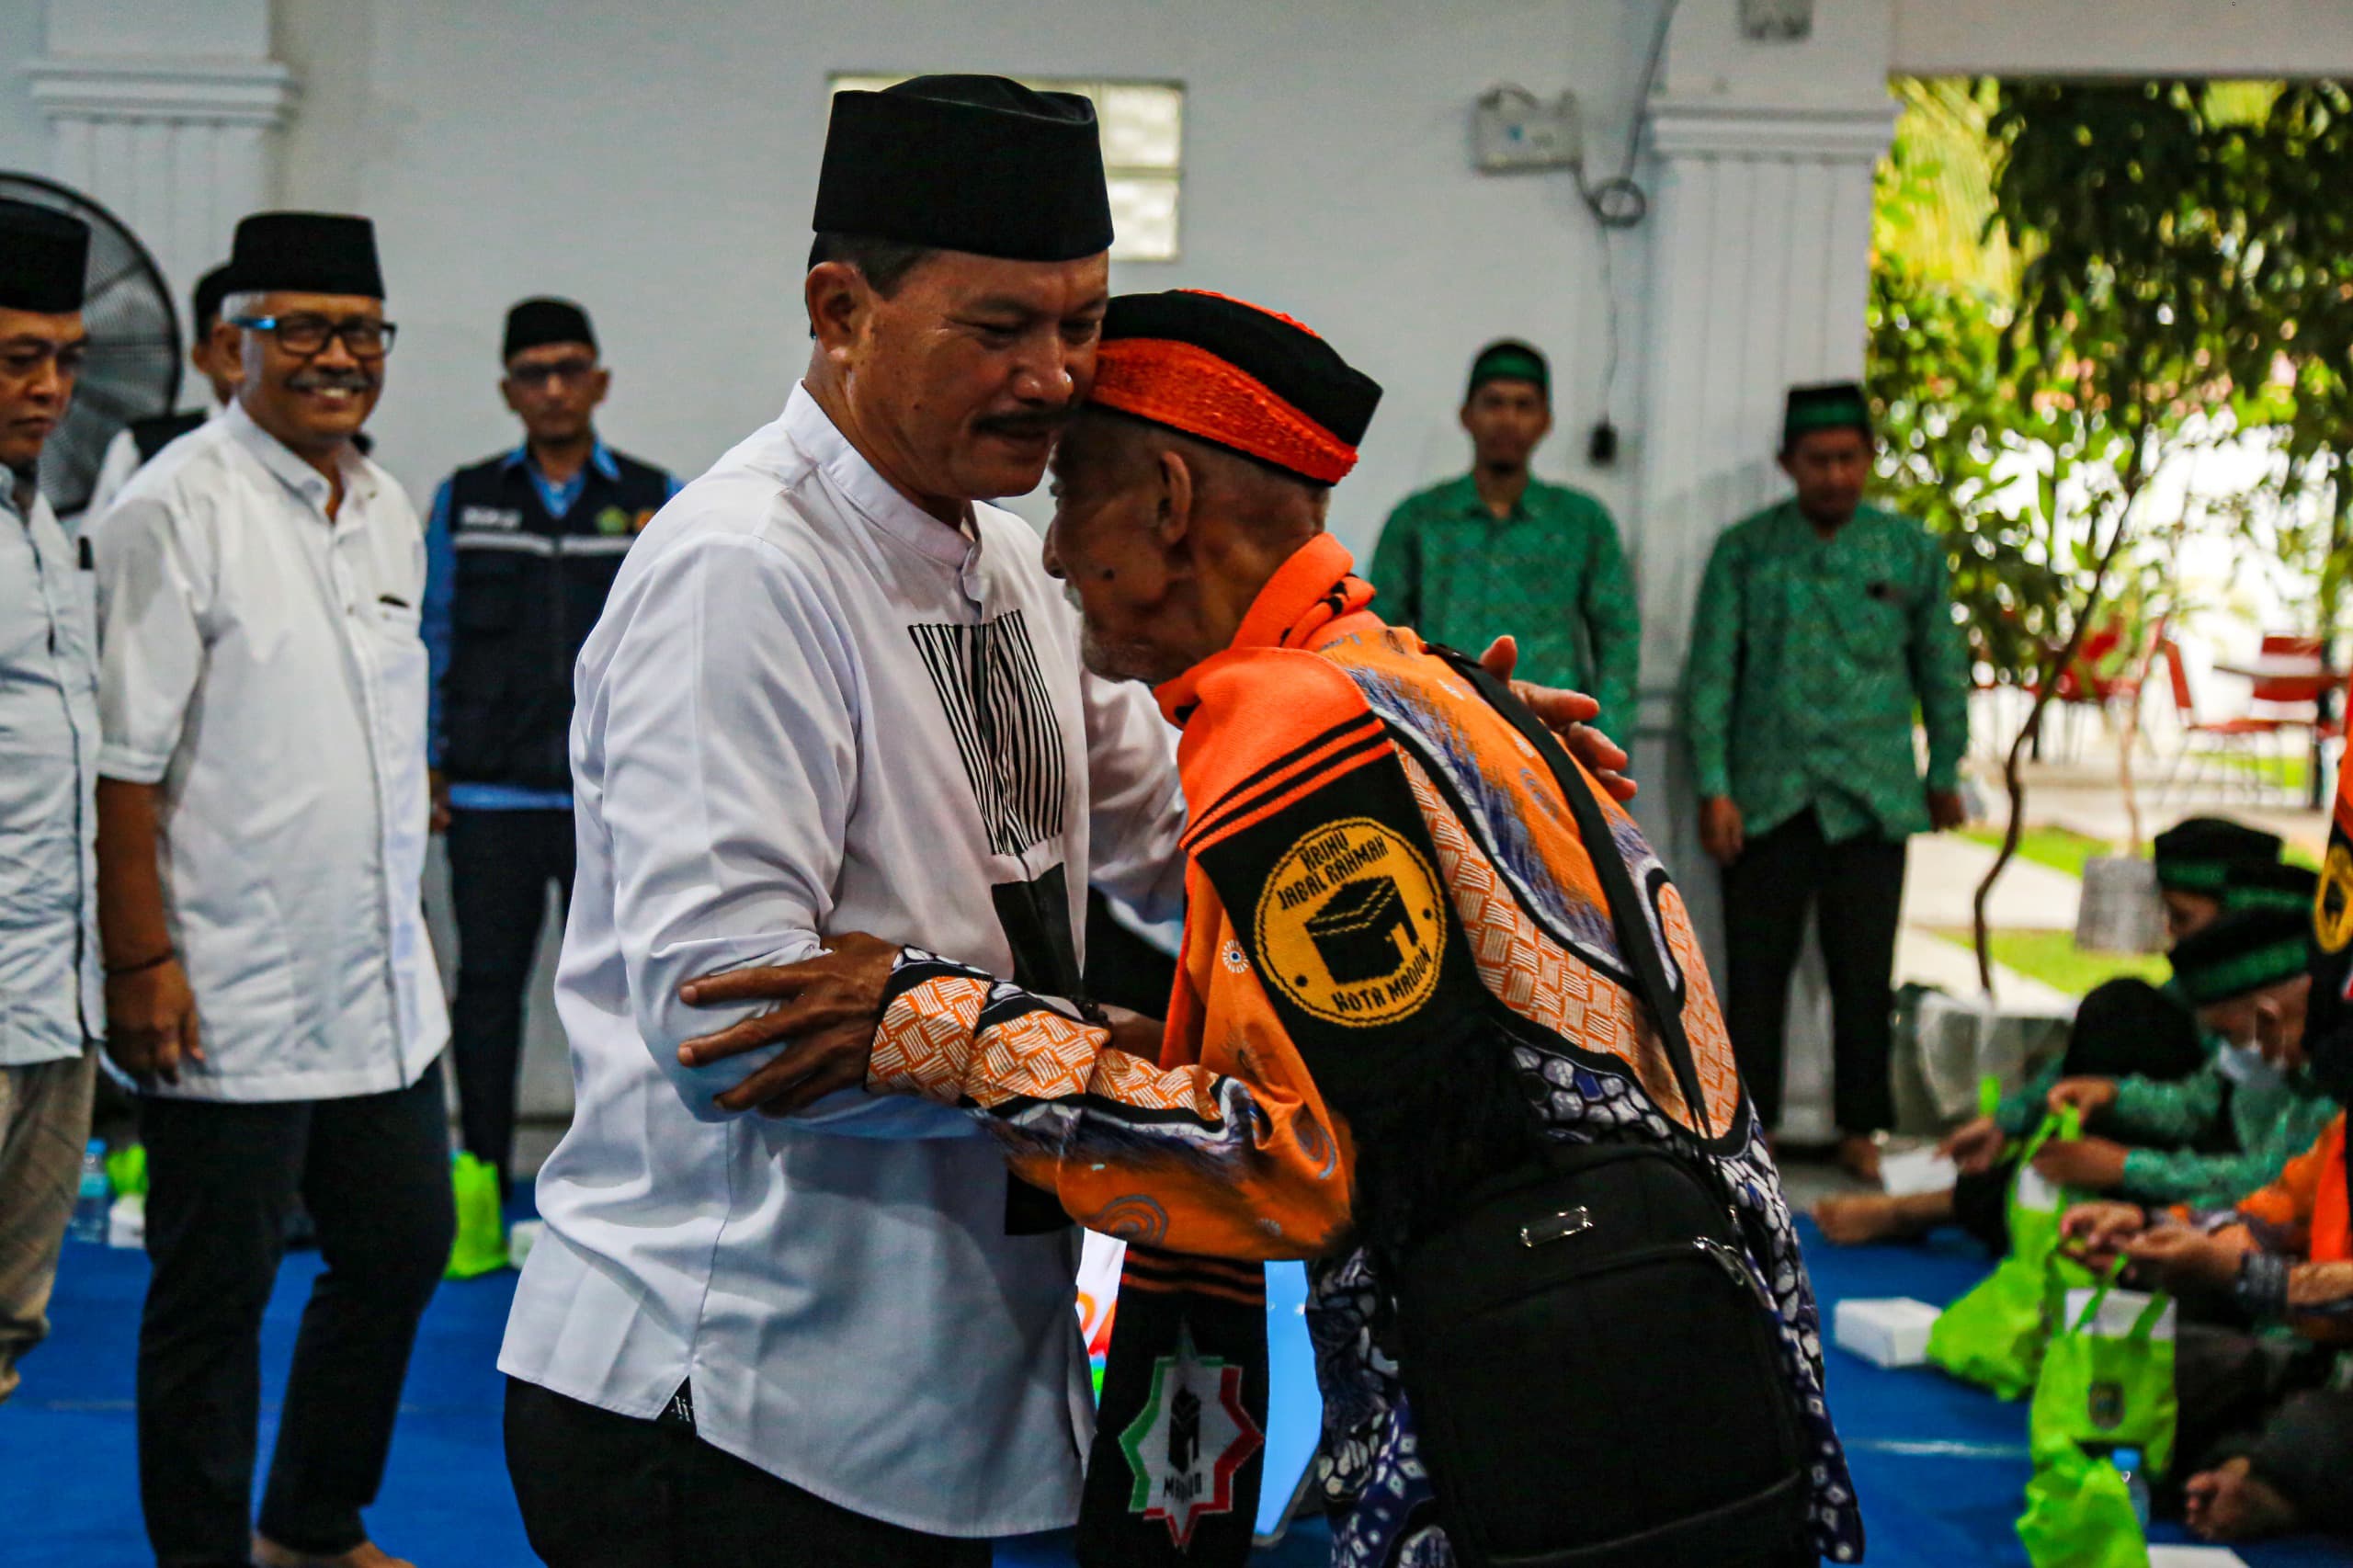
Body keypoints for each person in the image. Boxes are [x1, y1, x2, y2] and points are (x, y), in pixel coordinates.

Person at [496, 77, 1628, 1568]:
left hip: (923, 1383)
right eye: (1000, 328)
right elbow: (731, 1018)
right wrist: (1074, 1055)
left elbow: (1185, 829)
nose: (1054, 377)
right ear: (841, 312)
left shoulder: (1008, 569)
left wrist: (1433, 768)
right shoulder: (745, 570)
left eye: (1081, 324)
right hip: (732, 1387)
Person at [688, 289, 1860, 1567]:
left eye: (1074, 495)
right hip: (1679, 1362)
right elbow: (1386, 1068)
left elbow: (1304, 1158)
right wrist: (1097, 1032)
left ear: (1169, 502)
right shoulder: (1411, 680)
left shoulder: (1297, 725)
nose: (1057, 553)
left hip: (1545, 1407)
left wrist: (942, 1030)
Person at [92, 210, 450, 1568]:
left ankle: (309, 1520)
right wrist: (141, 963)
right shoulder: (171, 507)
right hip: (223, 979)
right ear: (226, 346)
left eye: (361, 331)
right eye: (299, 328)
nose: (336, 356)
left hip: (379, 976)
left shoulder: (389, 506)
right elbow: (123, 766)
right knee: (214, 1294)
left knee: (403, 1243)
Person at [422, 297, 678, 1274]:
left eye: (572, 369)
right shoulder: (466, 501)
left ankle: (621, 1193)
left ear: (599, 381)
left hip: (612, 806)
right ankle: (480, 1190)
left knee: (623, 999)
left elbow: (675, 647)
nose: (555, 389)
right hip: (489, 800)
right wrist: (429, 763)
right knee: (486, 996)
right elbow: (432, 635)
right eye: (534, 373)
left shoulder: (655, 499)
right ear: (509, 391)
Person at [1683, 381, 1972, 1176]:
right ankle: (1752, 1131)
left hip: (1873, 796)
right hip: (1766, 794)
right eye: (1818, 460)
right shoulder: (1746, 551)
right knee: (1755, 976)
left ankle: (1860, 1130)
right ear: (1787, 463)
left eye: (1849, 458)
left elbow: (1942, 667)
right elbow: (1712, 673)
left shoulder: (1909, 551)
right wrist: (1714, 786)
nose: (1835, 474)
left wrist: (1946, 767)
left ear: (1870, 458)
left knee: (1864, 975)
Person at [1814, 829, 2298, 1247]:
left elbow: (2268, 1178)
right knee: (2117, 1015)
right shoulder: (2232, 1013)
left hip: (2246, 1213)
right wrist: (2034, 1112)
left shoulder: (2309, 1061)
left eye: (2183, 918)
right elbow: (2198, 1102)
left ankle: (1949, 1206)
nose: (2171, 934)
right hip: (2215, 1181)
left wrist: (2125, 1167)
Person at [2060, 993, 2351, 1545]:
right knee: (2157, 1368)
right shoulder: (2341, 1132)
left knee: (2311, 1431)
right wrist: (2146, 1233)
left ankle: (2258, 1481)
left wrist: (2238, 1273)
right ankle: (2247, 1476)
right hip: (2320, 1362)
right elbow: (2267, 1215)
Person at [0, 199, 100, 1404]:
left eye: (67, 359)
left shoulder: (41, 521)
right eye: (20, 358)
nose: (51, 389)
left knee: (8, 1329)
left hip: (53, 1006)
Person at [1368, 338, 1640, 734]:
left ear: (1545, 421)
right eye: (1493, 403)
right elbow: (1379, 638)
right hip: (1442, 733)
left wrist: (1603, 742)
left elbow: (1618, 643)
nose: (1508, 419)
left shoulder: (1582, 522)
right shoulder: (1419, 519)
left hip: (1552, 738)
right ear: (1467, 416)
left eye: (1523, 405)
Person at [83, 262, 239, 523]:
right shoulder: (144, 448)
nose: (249, 356)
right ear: (200, 358)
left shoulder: (308, 449)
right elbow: (97, 541)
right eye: (234, 345)